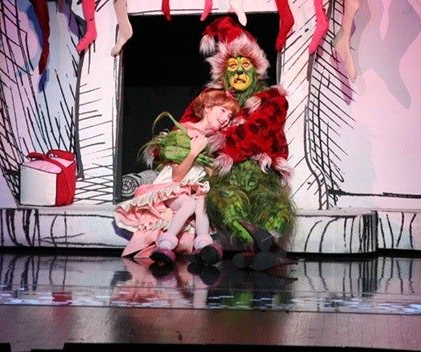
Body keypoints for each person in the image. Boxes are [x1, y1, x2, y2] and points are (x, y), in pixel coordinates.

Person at [180, 16, 296, 269]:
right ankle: (261, 251)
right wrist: (170, 144)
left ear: (256, 70)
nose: (240, 71)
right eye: (233, 66)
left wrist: (221, 139)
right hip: (225, 175)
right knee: (225, 202)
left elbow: (258, 131)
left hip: (261, 172)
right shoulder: (212, 98)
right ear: (224, 73)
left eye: (245, 65)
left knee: (275, 205)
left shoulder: (273, 99)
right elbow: (187, 123)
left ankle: (262, 248)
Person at [115, 88, 239, 267]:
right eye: (222, 110)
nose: (226, 117)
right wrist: (194, 152)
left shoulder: (215, 141)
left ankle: (204, 245)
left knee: (202, 200)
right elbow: (177, 176)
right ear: (207, 108)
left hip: (193, 189)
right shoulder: (184, 132)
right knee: (189, 203)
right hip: (170, 188)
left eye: (229, 115)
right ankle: (166, 243)